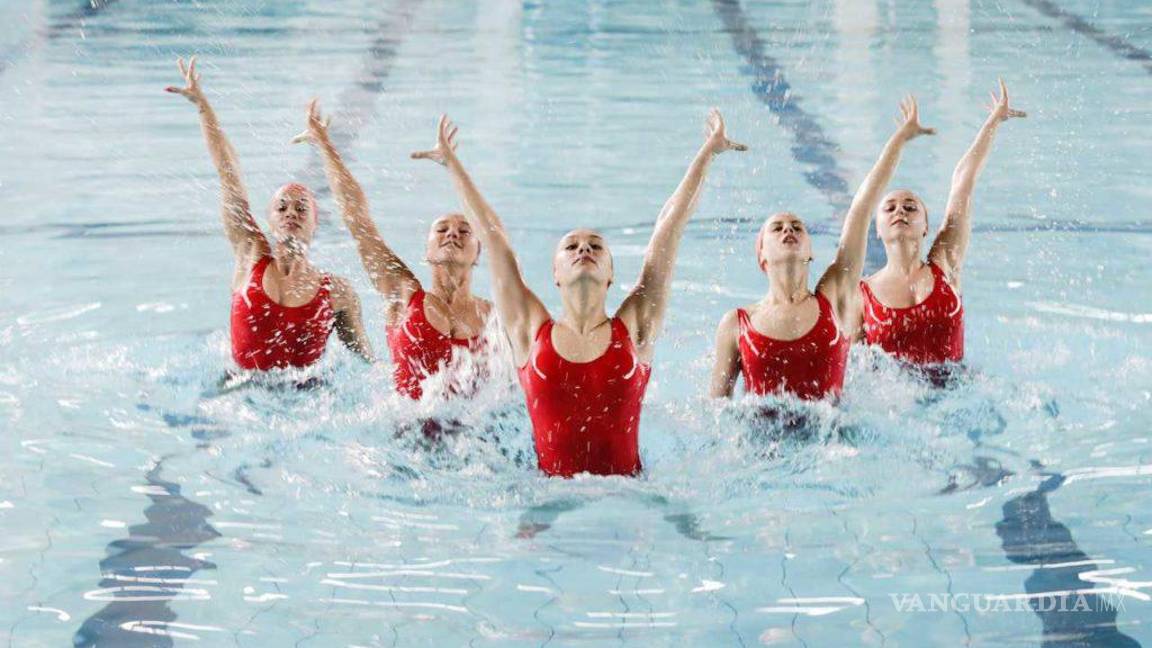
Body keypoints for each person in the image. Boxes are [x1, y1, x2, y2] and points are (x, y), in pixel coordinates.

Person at [412, 110, 746, 477]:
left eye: (595, 246)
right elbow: (493, 235)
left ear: (610, 274)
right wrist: (452, 164)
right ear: (555, 274)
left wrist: (707, 153)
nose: (584, 249)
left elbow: (670, 227)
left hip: (630, 495)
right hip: (548, 496)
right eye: (571, 246)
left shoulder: (636, 327)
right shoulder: (529, 330)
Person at [710, 97, 934, 400]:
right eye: (777, 228)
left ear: (811, 252)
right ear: (761, 256)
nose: (788, 230)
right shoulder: (736, 325)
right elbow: (717, 409)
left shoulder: (834, 299)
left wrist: (899, 140)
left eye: (797, 226)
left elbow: (861, 208)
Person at [166, 57, 373, 374]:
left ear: (315, 223)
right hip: (240, 388)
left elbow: (367, 365)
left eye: (301, 209)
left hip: (310, 396)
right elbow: (229, 174)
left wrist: (326, 147)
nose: (291, 213)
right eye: (282, 207)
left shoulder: (338, 293)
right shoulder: (250, 255)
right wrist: (203, 108)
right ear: (270, 220)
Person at [293, 100, 491, 400]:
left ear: (479, 252)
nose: (452, 233)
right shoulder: (403, 295)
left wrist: (455, 168)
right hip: (403, 427)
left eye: (464, 231)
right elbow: (359, 221)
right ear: (426, 251)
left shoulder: (493, 318)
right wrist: (325, 145)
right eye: (441, 229)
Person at [859, 80, 1025, 368]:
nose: (900, 211)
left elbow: (963, 181)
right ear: (878, 228)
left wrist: (994, 121)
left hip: (958, 388)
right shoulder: (861, 295)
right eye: (890, 207)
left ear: (926, 226)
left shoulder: (945, 264)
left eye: (910, 207)